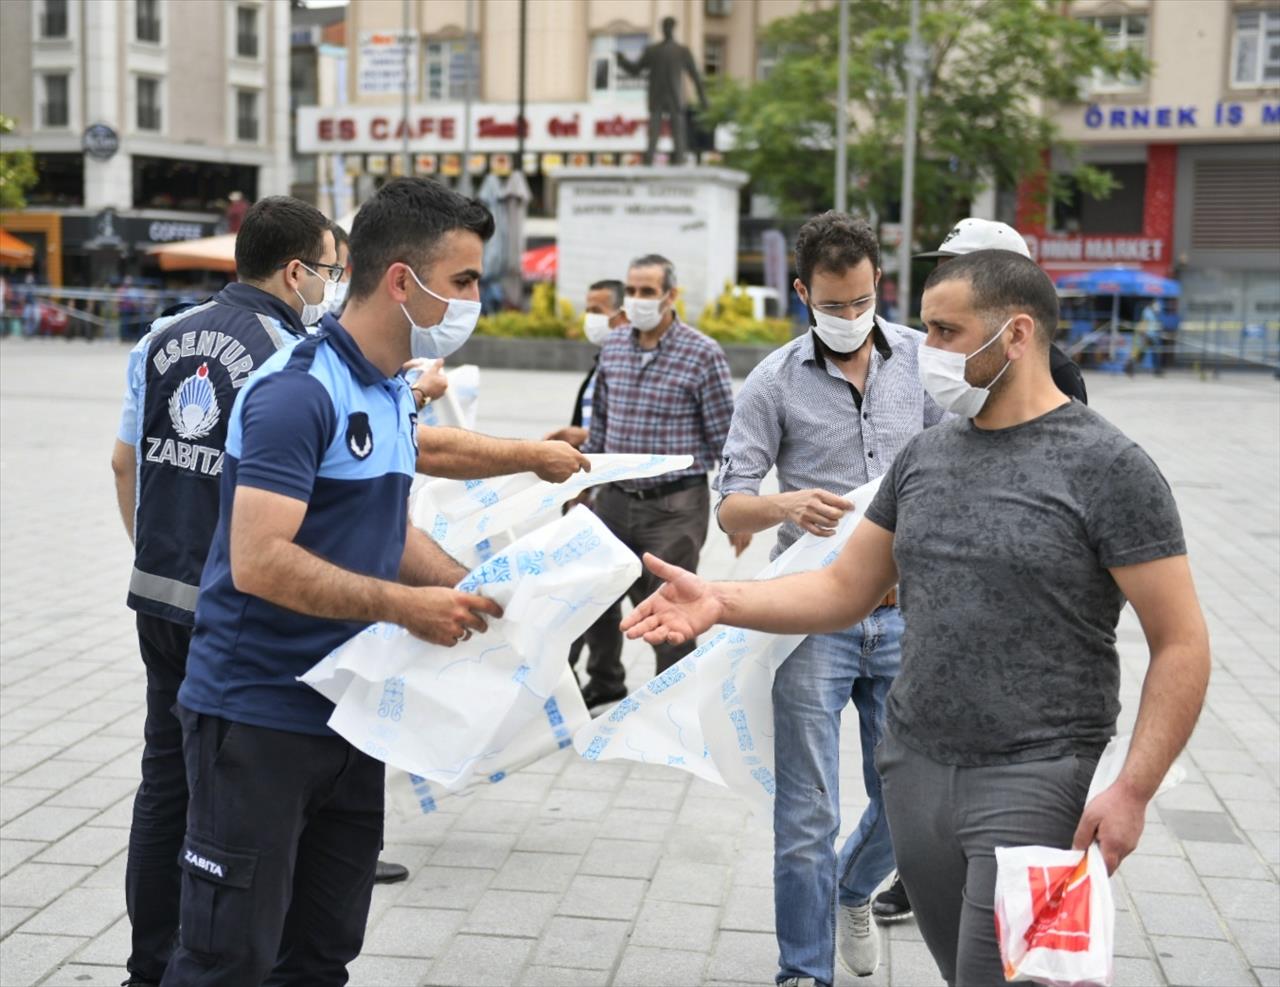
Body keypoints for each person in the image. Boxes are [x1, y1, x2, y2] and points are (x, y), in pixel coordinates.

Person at [622, 249, 1210, 987]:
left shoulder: (1110, 466)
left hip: (1037, 774)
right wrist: (720, 599)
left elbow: (1181, 640)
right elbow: (843, 588)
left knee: (993, 975)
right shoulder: (925, 457)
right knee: (956, 968)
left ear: (1018, 335)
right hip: (916, 773)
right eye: (927, 329)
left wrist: (1133, 788)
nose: (923, 349)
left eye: (945, 331)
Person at [162, 178, 505, 986]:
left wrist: (482, 590)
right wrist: (404, 607)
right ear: (400, 280)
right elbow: (260, 558)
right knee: (227, 959)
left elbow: (387, 532)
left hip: (352, 714)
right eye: (463, 281)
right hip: (257, 717)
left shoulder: (389, 390)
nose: (473, 300)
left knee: (320, 953)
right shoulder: (295, 390)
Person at [109, 195, 342, 987]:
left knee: (163, 782)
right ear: (294, 270)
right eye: (330, 268)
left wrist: (155, 549)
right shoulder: (292, 354)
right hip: (231, 607)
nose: (332, 283)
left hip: (158, 592)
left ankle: (147, 964)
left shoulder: (161, 336)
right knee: (231, 803)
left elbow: (123, 462)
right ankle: (215, 956)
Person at [716, 212, 945, 983]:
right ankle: (803, 970)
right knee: (808, 813)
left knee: (913, 797)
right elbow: (731, 502)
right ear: (801, 291)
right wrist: (786, 505)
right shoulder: (772, 380)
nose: (850, 317)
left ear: (881, 285)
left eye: (861, 301)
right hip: (813, 615)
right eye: (833, 304)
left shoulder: (922, 360)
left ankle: (855, 887)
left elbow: (966, 451)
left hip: (907, 610)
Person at [580, 253, 736, 702]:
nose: (638, 300)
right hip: (613, 498)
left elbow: (726, 438)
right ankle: (606, 680)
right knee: (597, 594)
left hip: (675, 506)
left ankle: (678, 704)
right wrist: (581, 487)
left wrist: (735, 509)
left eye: (648, 291)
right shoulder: (612, 347)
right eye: (632, 291)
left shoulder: (702, 353)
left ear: (671, 295)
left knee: (670, 605)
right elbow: (602, 428)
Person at [541, 279, 630, 704]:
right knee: (594, 592)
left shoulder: (625, 365)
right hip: (590, 487)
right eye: (588, 308)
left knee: (583, 590)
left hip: (608, 491)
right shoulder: (606, 362)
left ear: (621, 315)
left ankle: (566, 683)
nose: (591, 319)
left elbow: (625, 429)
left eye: (598, 309)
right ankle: (604, 678)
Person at [917, 217, 1088, 404]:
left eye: (947, 331)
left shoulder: (1056, 373)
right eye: (939, 272)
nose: (930, 346)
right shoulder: (927, 360)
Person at [616, 16, 707, 165]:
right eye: (665, 26)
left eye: (669, 26)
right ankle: (649, 162)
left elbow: (695, 75)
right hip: (657, 97)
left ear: (673, 28)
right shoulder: (652, 51)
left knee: (679, 133)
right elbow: (636, 70)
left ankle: (679, 162)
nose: (667, 29)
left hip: (674, 97)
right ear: (662, 29)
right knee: (654, 133)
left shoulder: (682, 51)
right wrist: (623, 61)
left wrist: (703, 97)